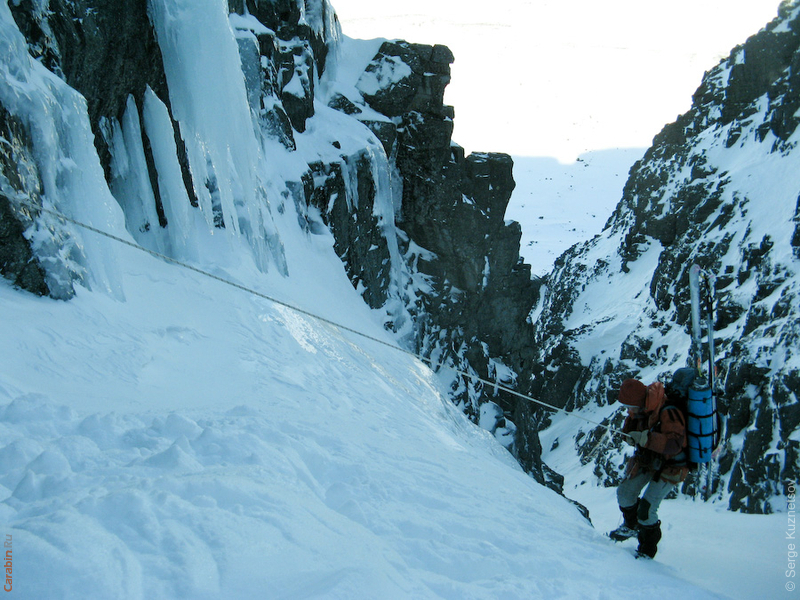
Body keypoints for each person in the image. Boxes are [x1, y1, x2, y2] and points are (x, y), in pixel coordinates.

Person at [608, 376, 689, 558]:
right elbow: (629, 431)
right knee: (625, 494)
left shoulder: (669, 411)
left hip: (673, 466)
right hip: (649, 459)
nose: (628, 410)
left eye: (630, 406)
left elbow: (675, 443)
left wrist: (646, 439)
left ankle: (646, 552)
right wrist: (630, 436)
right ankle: (631, 525)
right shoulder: (640, 411)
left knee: (646, 509)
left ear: (639, 401)